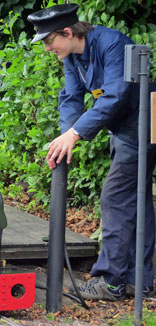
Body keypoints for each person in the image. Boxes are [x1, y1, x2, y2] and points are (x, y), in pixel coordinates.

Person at [27, 4, 156, 301]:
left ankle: (109, 280)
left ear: (68, 32)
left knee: (115, 198)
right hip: (123, 130)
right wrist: (65, 137)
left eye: (49, 41)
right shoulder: (72, 55)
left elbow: (115, 95)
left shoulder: (113, 44)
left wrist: (75, 134)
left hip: (142, 125)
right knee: (136, 201)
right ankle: (139, 281)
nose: (48, 49)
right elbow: (71, 97)